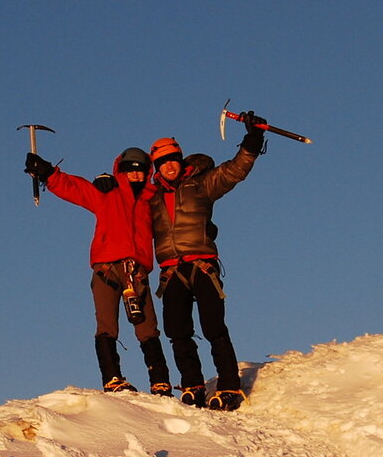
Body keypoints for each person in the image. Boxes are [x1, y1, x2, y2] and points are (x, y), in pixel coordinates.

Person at [25, 146, 173, 396]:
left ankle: (160, 382)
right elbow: (75, 188)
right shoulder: (107, 192)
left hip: (136, 271)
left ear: (148, 173)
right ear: (121, 172)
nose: (135, 175)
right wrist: (47, 172)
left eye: (140, 171)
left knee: (147, 326)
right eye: (130, 170)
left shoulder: (152, 199)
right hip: (107, 268)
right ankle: (112, 378)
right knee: (106, 324)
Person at [145, 113, 266, 411]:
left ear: (180, 161)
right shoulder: (151, 198)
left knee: (214, 328)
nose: (169, 166)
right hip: (171, 271)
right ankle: (193, 386)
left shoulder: (200, 185)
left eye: (173, 160)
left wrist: (253, 139)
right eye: (163, 163)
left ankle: (229, 386)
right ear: (157, 168)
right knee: (178, 332)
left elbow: (234, 171)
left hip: (203, 266)